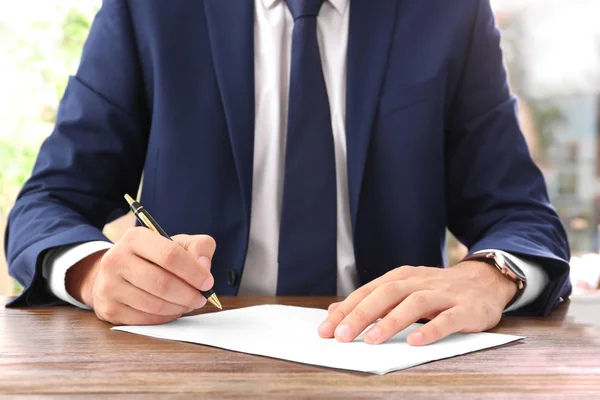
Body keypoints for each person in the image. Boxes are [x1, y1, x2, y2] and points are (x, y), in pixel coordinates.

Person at [5, 0, 571, 346]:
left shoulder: (449, 10)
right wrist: (95, 272)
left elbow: (519, 213)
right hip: (190, 362)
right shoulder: (150, 7)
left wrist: (491, 275)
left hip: (393, 355)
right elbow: (48, 203)